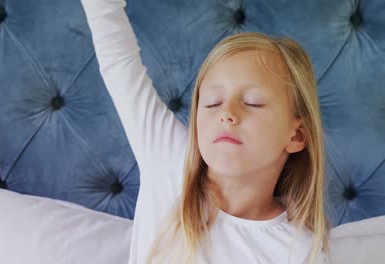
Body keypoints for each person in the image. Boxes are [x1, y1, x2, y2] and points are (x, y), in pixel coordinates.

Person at [81, 0, 331, 263]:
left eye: (252, 102)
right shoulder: (170, 162)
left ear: (296, 136)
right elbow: (119, 64)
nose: (227, 113)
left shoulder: (302, 252)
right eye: (212, 102)